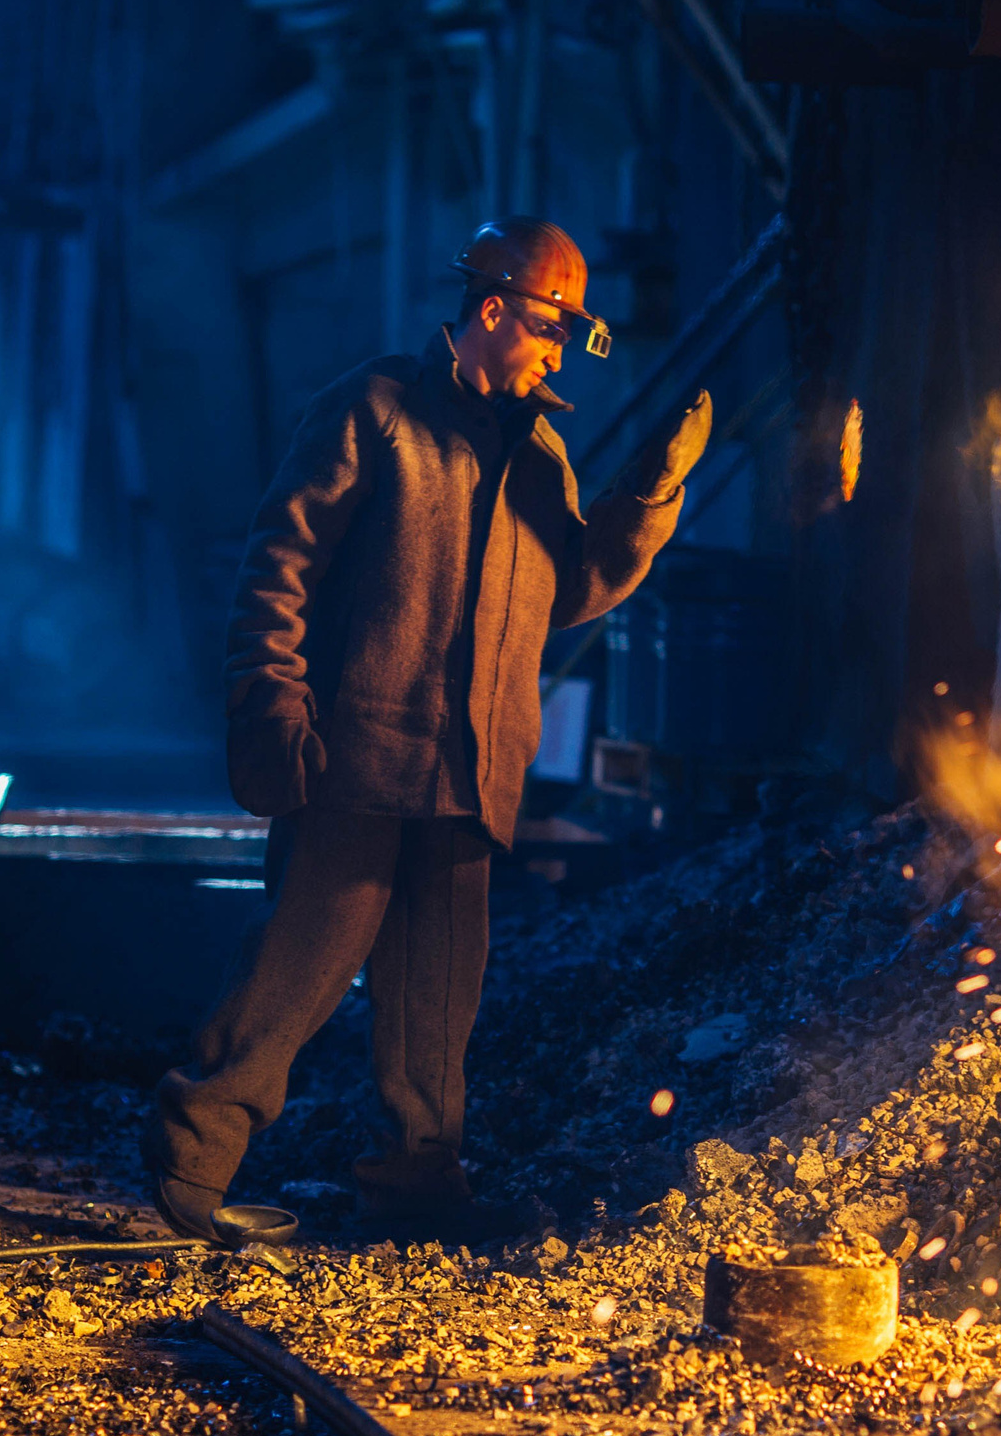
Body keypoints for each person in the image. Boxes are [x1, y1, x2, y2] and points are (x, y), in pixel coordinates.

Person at [144, 216, 711, 1244]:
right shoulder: (374, 413)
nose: (557, 355)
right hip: (358, 760)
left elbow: (570, 590)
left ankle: (416, 1192)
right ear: (493, 310)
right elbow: (279, 567)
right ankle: (190, 1163)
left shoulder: (539, 454)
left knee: (435, 1009)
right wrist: (271, 700)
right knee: (294, 970)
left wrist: (648, 495)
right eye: (552, 330)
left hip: (469, 771)